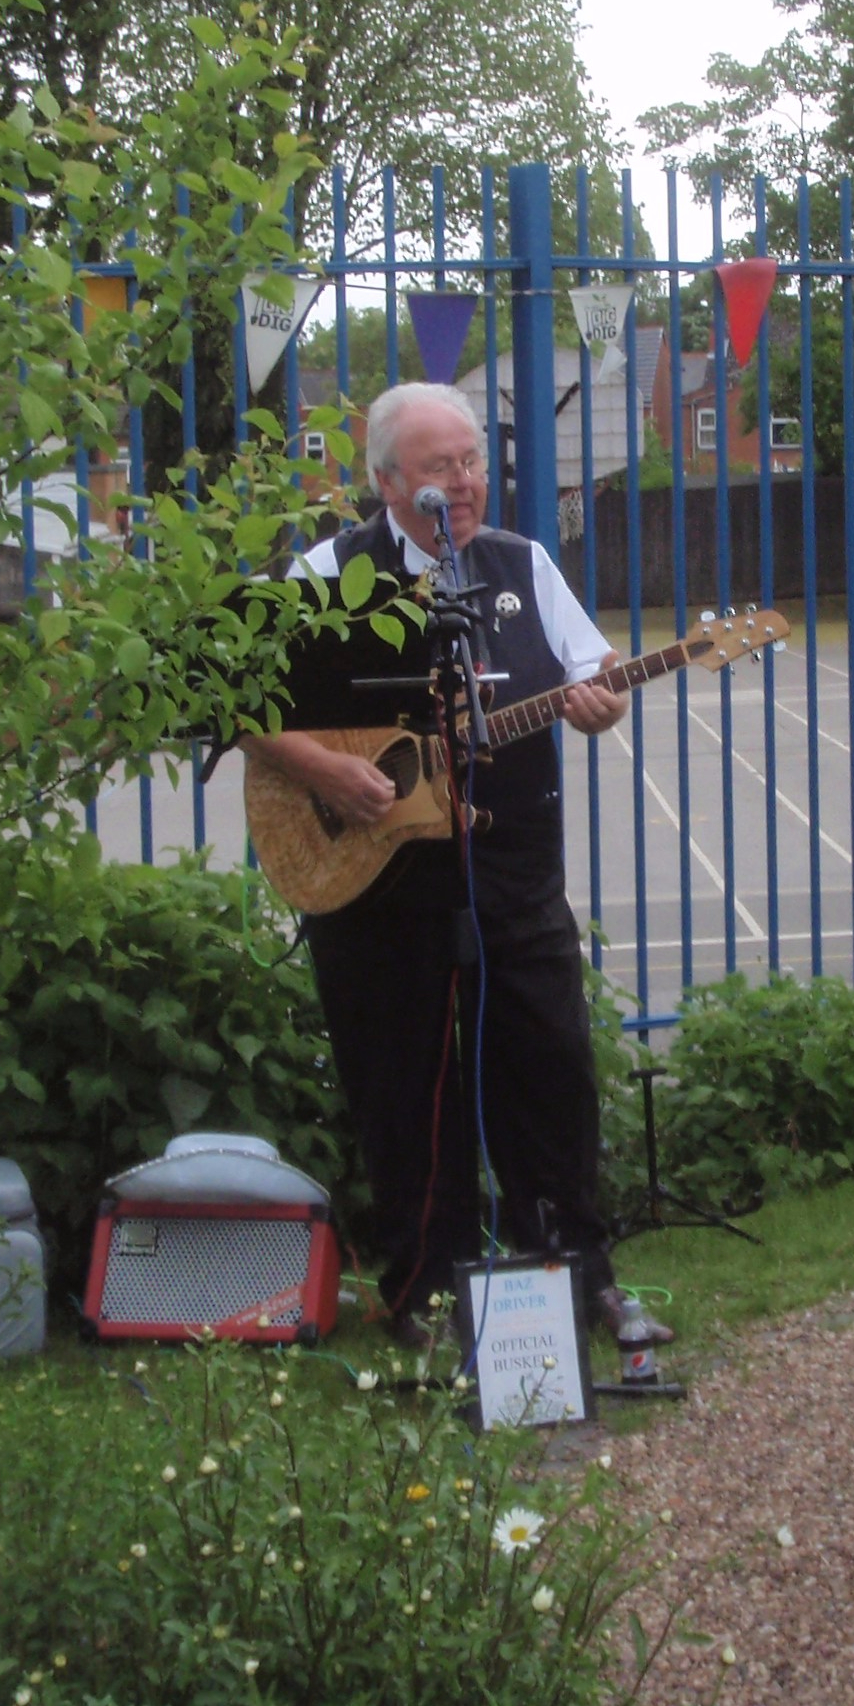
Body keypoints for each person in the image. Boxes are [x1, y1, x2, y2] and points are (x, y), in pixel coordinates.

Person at [241, 382, 664, 1352]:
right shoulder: (327, 572)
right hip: (376, 889)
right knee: (403, 1093)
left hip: (513, 875)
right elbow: (236, 698)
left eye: (472, 461)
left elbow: (593, 674)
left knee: (550, 1073)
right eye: (440, 467)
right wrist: (326, 769)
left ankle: (579, 1273)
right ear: (388, 481)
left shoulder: (521, 563)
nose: (464, 482)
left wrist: (605, 700)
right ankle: (424, 1296)